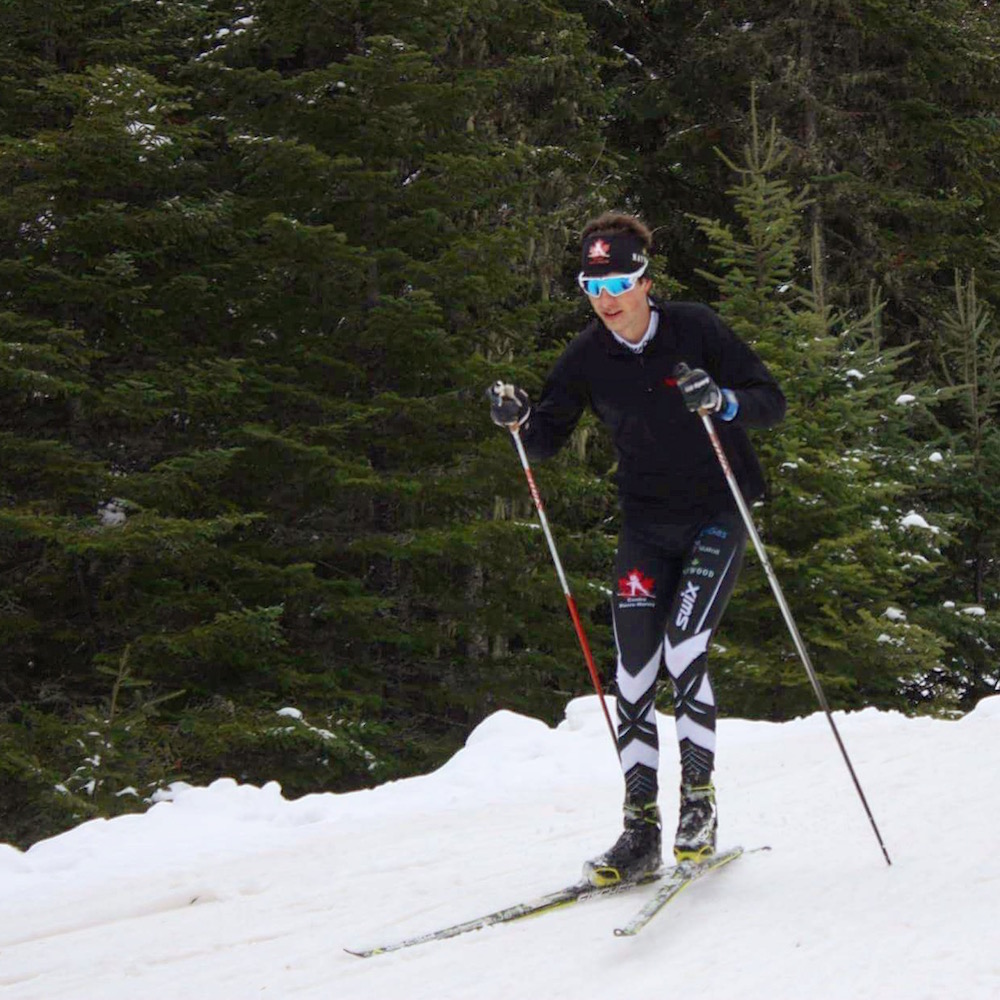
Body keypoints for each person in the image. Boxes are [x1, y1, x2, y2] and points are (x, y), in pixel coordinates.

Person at [487, 211, 785, 887]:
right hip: (646, 523)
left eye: (620, 280)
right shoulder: (586, 355)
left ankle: (699, 810)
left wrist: (725, 401)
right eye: (592, 284)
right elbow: (543, 441)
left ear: (646, 281)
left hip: (717, 512)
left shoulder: (696, 329)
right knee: (632, 671)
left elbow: (773, 401)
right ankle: (640, 831)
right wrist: (518, 421)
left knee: (684, 649)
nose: (607, 297)